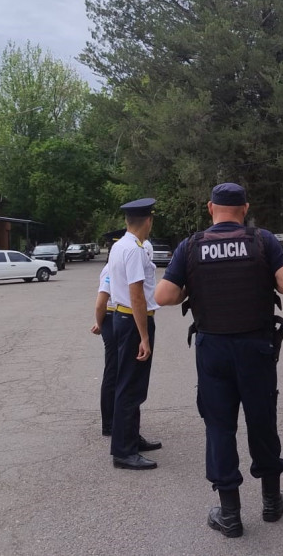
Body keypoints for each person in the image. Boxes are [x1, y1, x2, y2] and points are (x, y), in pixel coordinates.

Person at [155, 183, 283, 539]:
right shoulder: (261, 240)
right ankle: (270, 501)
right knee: (262, 420)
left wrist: (194, 283)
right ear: (245, 208)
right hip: (256, 346)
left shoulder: (190, 246)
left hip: (214, 349)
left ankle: (230, 514)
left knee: (219, 427)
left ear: (211, 208)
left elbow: (164, 295)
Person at [106, 198, 162, 470]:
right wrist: (144, 336)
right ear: (148, 221)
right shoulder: (135, 250)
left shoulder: (120, 245)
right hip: (132, 321)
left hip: (122, 318)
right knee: (130, 387)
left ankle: (130, 438)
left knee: (130, 384)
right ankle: (123, 452)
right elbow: (136, 294)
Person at [91, 229, 126, 438]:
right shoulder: (110, 270)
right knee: (113, 371)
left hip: (114, 318)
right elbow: (101, 302)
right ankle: (109, 424)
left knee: (120, 370)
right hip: (113, 319)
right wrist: (100, 321)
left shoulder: (115, 266)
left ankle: (118, 419)